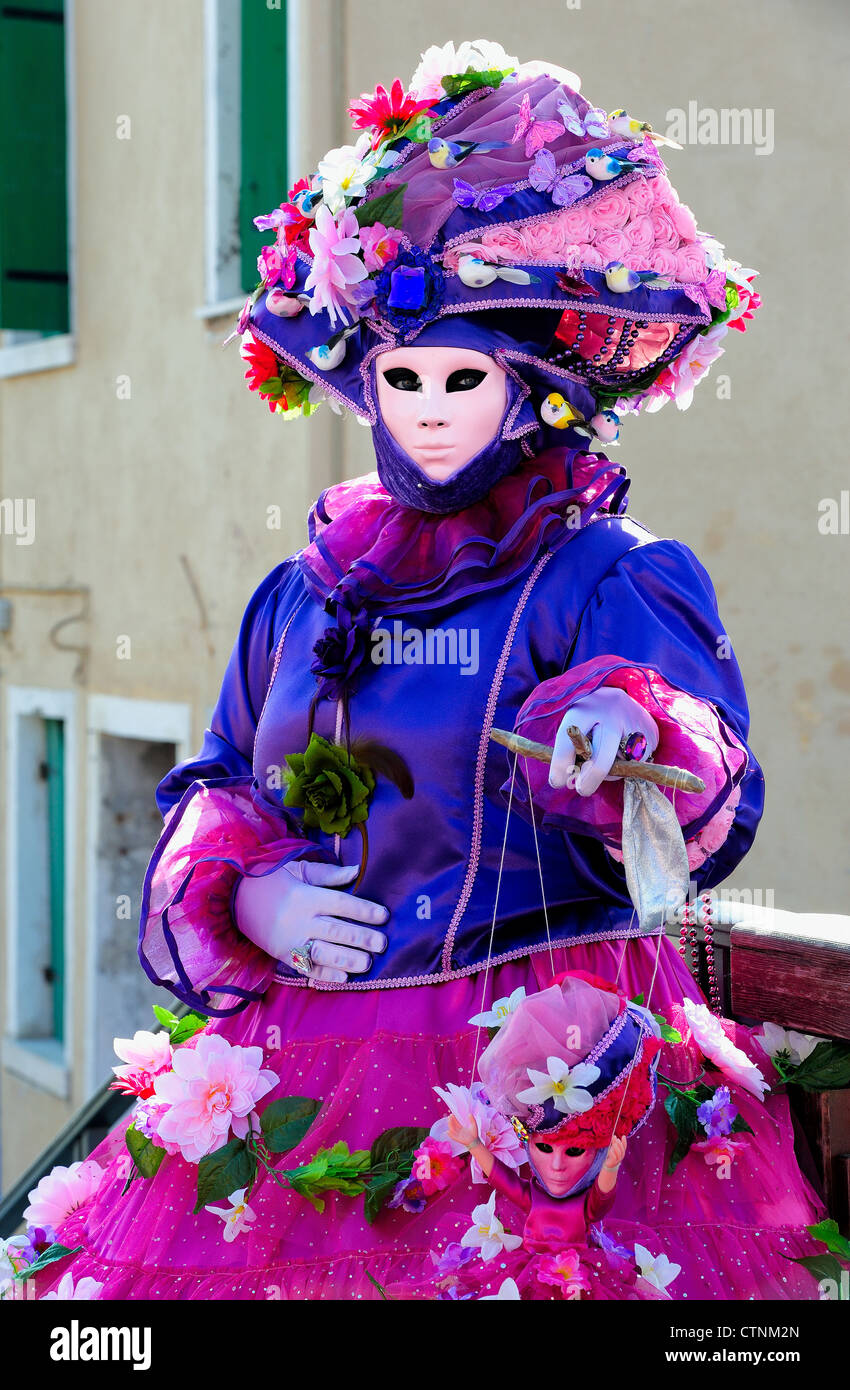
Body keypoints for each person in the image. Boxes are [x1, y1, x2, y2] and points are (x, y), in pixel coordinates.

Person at [29, 41, 823, 1301]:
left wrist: (631, 738)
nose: (432, 409)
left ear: (530, 394)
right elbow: (224, 774)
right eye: (404, 380)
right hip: (298, 1074)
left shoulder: (602, 573)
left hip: (550, 1080)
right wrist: (249, 899)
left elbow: (707, 791)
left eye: (466, 379)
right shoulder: (304, 591)